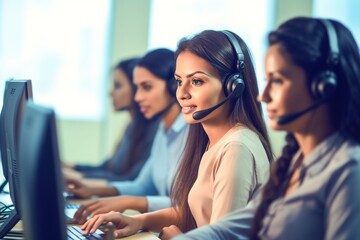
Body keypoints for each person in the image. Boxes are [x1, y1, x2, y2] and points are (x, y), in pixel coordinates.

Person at [164, 17, 360, 240]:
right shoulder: (294, 163)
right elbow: (229, 228)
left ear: (324, 86)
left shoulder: (348, 169)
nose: (263, 96)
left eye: (277, 81)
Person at [80, 30, 273, 239]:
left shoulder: (237, 148)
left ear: (233, 86)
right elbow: (195, 213)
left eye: (197, 81)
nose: (181, 93)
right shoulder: (213, 142)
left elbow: (221, 235)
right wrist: (138, 221)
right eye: (180, 81)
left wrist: (176, 238)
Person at [67, 48, 189, 223]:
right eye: (137, 88)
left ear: (173, 86)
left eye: (146, 87)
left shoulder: (191, 133)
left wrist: (127, 201)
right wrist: (95, 192)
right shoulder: (164, 129)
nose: (138, 97)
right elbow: (141, 185)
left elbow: (187, 205)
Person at [64, 58, 160, 181]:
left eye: (117, 86)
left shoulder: (155, 130)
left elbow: (132, 180)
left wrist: (79, 177)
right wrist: (71, 167)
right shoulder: (132, 126)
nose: (110, 93)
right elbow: (110, 167)